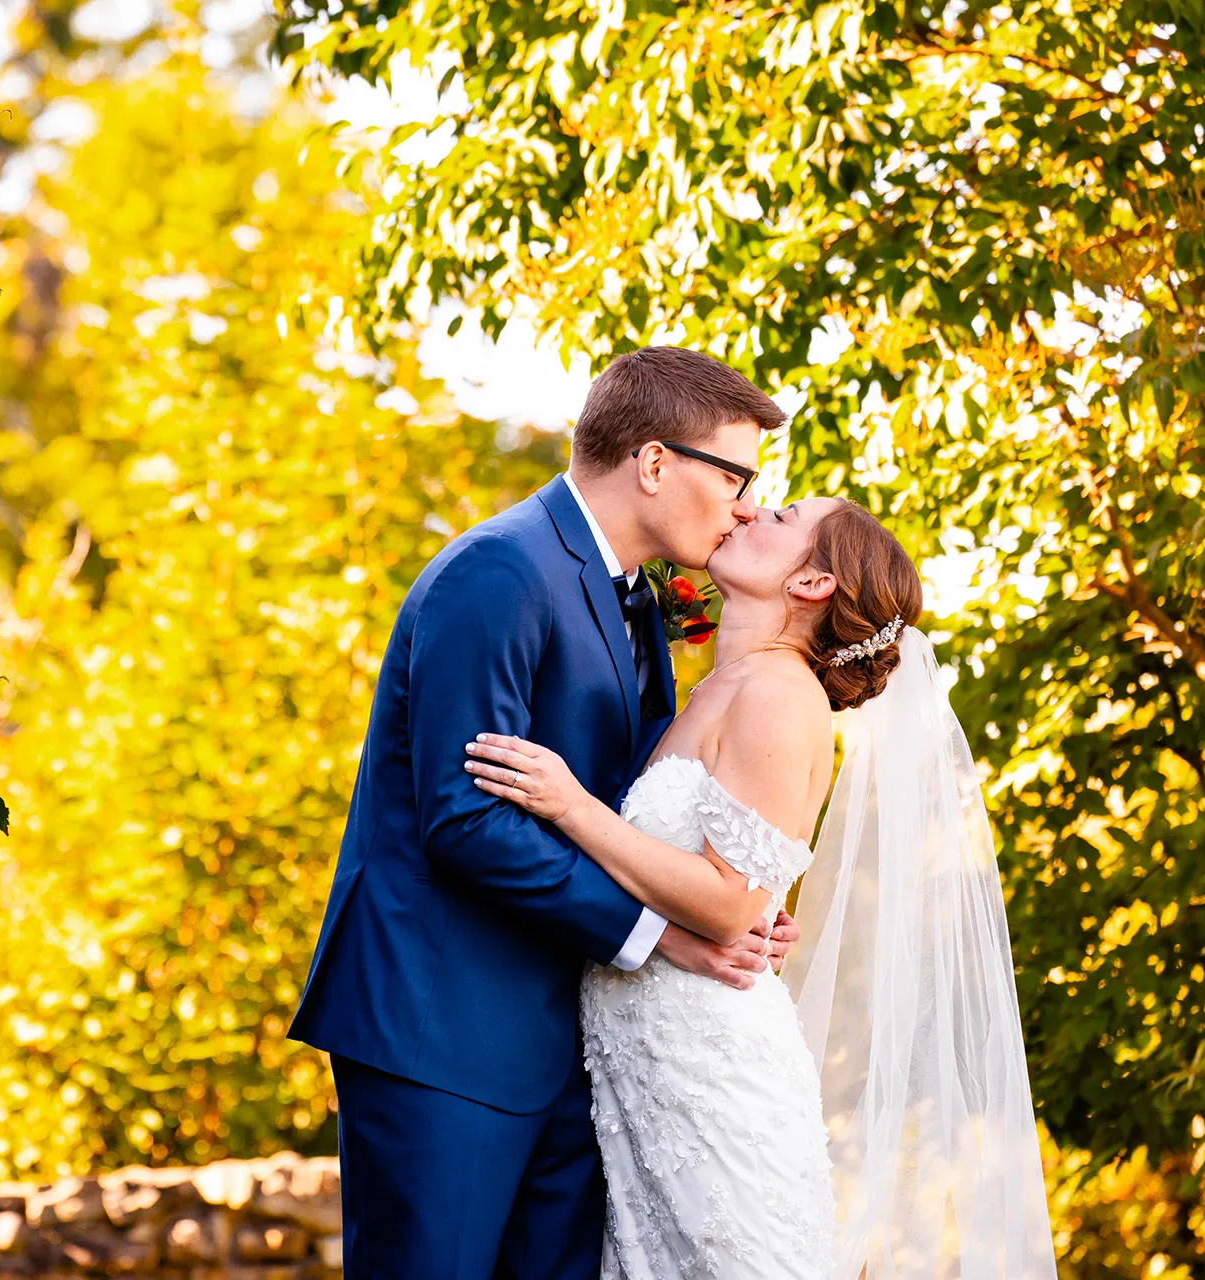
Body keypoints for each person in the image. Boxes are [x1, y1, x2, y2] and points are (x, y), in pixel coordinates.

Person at [288, 347, 794, 1278]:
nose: (748, 506)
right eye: (736, 475)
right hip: (442, 1029)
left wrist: (726, 894)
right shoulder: (500, 572)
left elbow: (627, 805)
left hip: (569, 1045)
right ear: (653, 463)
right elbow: (466, 822)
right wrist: (663, 934)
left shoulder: (636, 602)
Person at [464, 499, 1056, 1278]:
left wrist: (570, 806)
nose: (745, 511)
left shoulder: (778, 697)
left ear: (810, 581)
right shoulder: (719, 686)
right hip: (644, 1065)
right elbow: (733, 879)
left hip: (711, 1075)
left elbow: (726, 904)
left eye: (776, 515)